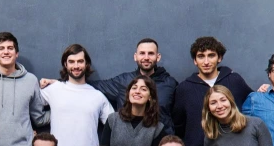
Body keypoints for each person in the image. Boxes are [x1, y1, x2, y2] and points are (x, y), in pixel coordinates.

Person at [42, 38, 177, 134]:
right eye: (142, 53)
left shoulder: (170, 83)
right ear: (135, 56)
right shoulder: (123, 81)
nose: (146, 57)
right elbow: (90, 84)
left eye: (151, 53)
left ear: (158, 57)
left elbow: (179, 117)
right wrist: (60, 82)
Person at [173, 37, 253, 146]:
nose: (206, 61)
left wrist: (265, 90)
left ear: (219, 58)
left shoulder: (234, 80)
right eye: (201, 56)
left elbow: (253, 106)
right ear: (195, 60)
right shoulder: (184, 89)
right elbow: (178, 127)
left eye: (211, 55)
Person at [39, 44, 113, 146]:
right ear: (65, 64)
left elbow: (115, 126)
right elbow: (28, 103)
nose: (76, 66)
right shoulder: (54, 89)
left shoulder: (97, 96)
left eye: (80, 61)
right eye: (72, 62)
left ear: (86, 64)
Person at [100, 77, 167, 146]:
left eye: (143, 89)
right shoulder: (113, 120)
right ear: (128, 93)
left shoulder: (157, 129)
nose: (137, 91)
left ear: (150, 97)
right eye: (134, 88)